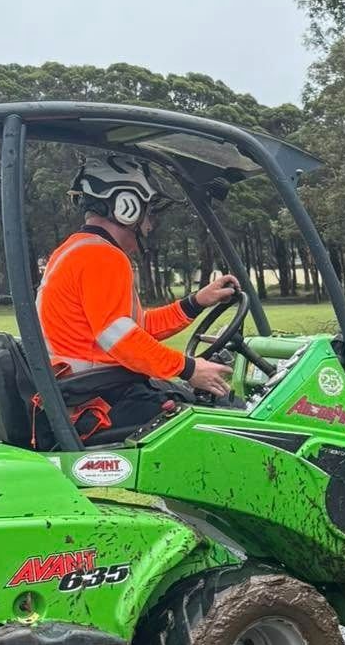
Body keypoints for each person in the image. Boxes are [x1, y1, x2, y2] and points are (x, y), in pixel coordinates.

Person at [37, 154, 241, 442]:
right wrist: (189, 368)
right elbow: (121, 340)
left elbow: (133, 328)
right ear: (126, 207)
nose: (151, 223)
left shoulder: (75, 250)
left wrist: (196, 302)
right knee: (228, 421)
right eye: (149, 211)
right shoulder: (102, 257)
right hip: (103, 399)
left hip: (89, 391)